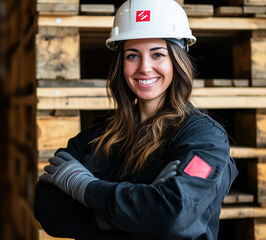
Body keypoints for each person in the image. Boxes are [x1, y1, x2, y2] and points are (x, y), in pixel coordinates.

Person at [34, 0, 238, 239]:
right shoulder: (100, 134)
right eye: (132, 56)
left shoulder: (204, 139)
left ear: (177, 61)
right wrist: (139, 214)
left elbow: (170, 216)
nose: (144, 67)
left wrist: (84, 187)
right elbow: (46, 206)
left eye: (158, 54)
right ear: (121, 64)